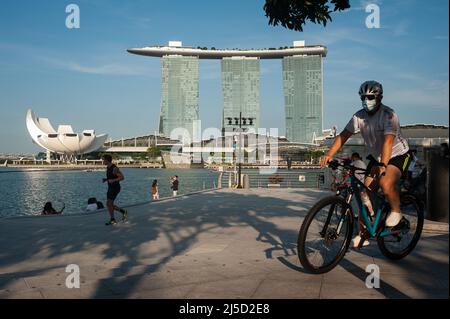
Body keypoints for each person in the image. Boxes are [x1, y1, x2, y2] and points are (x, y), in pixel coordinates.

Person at [320, 81, 411, 248]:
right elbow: (343, 136)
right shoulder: (358, 116)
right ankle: (363, 234)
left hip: (398, 155)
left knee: (385, 182)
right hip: (378, 158)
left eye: (370, 97)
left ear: (379, 97)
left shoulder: (389, 115)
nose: (366, 100)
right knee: (364, 195)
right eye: (363, 97)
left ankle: (396, 211)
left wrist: (383, 164)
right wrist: (329, 154)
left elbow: (388, 143)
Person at [102, 154, 128, 225]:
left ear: (107, 160)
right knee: (109, 204)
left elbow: (122, 177)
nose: (102, 161)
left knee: (108, 203)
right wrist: (106, 179)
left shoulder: (114, 168)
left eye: (103, 159)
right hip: (110, 187)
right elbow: (111, 177)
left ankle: (113, 219)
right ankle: (121, 212)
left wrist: (113, 180)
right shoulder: (108, 167)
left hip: (115, 188)